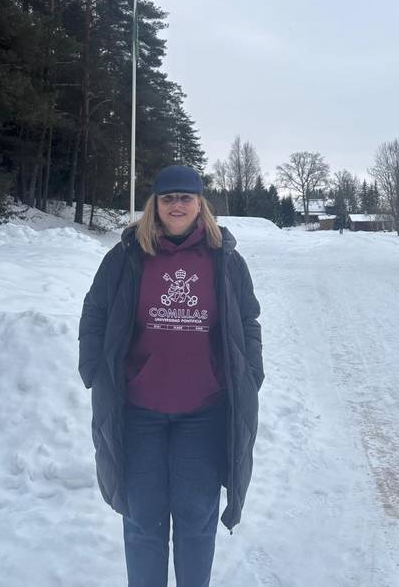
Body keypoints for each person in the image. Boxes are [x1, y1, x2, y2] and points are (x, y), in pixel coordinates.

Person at [78, 164, 264, 587]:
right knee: (142, 519)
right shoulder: (125, 258)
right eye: (167, 198)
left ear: (201, 204)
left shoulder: (226, 261)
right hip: (139, 412)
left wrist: (250, 373)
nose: (176, 205)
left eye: (185, 197)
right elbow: (96, 313)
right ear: (154, 205)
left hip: (203, 414)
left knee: (197, 520)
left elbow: (248, 320)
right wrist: (93, 368)